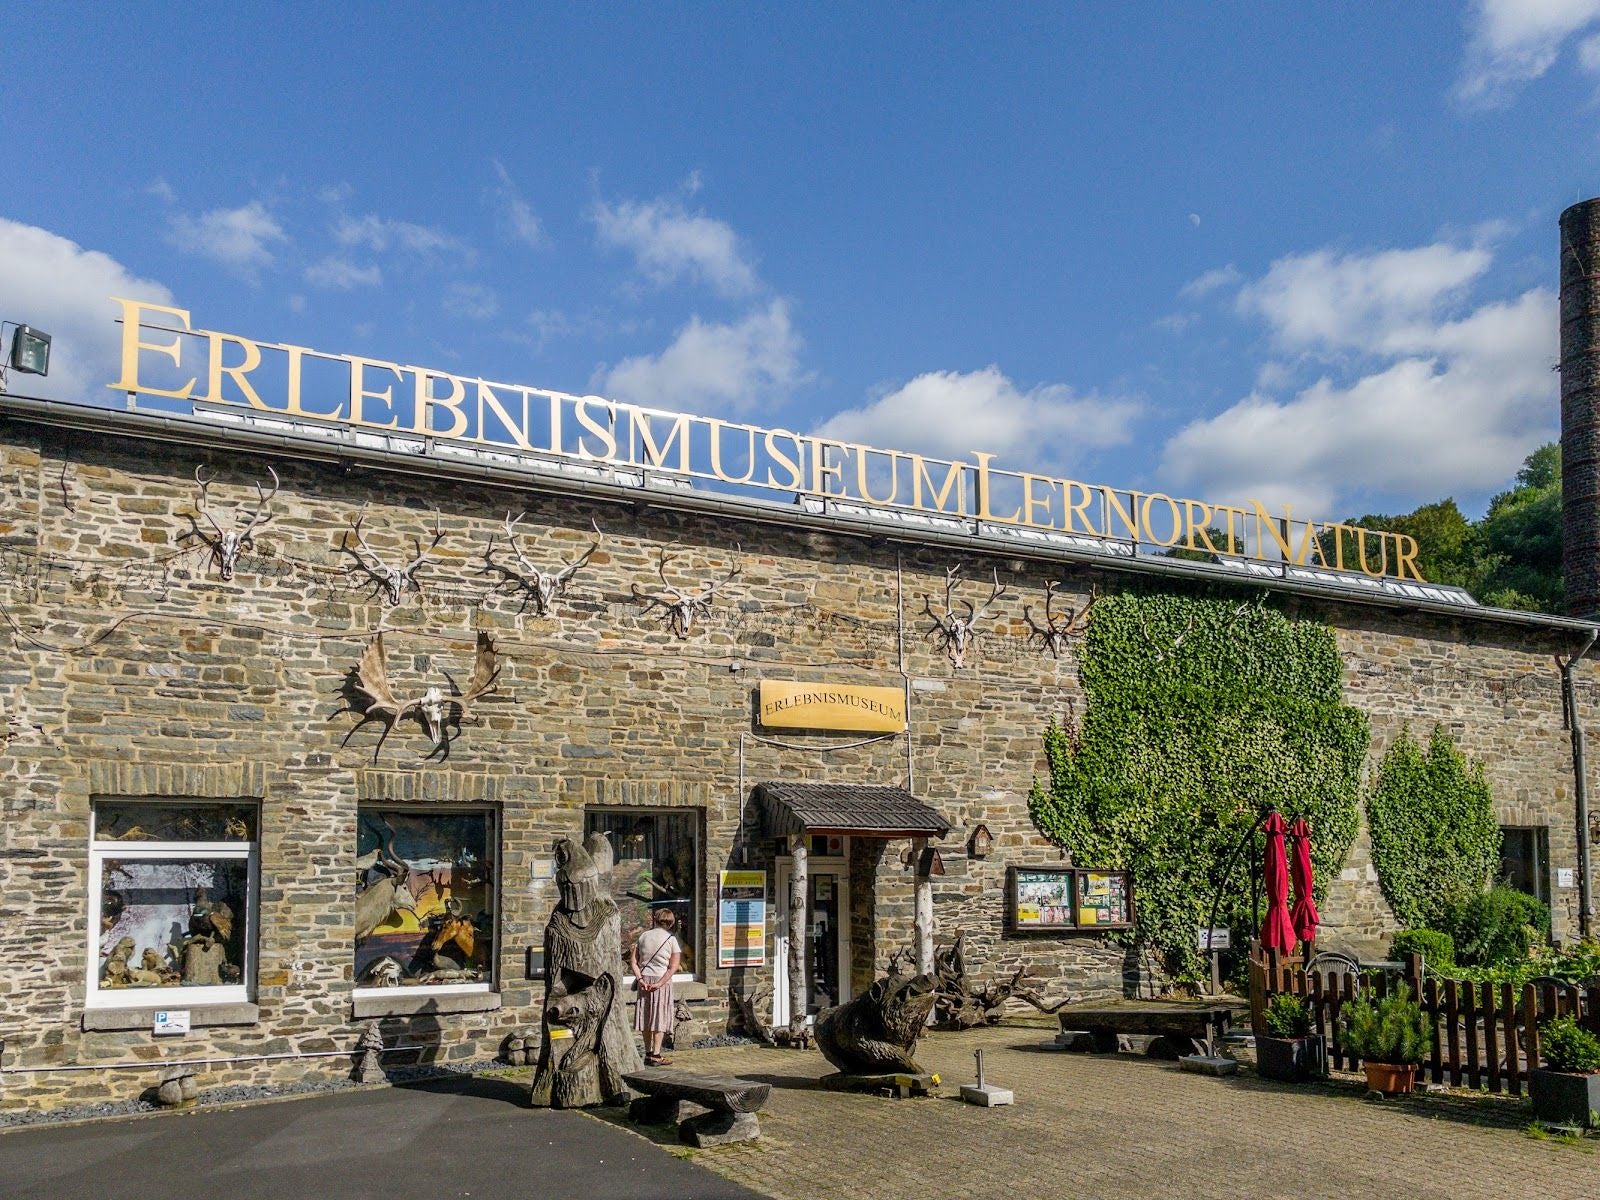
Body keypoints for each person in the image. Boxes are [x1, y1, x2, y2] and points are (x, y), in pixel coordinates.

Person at [630, 907, 682, 1065]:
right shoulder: (671, 939)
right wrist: (660, 983)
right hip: (661, 981)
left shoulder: (644, 936)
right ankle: (657, 1055)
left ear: (656, 919)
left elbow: (634, 962)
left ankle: (647, 1053)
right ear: (671, 922)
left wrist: (640, 980)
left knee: (646, 1017)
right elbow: (673, 967)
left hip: (644, 981)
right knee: (659, 1018)